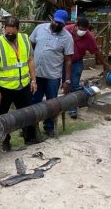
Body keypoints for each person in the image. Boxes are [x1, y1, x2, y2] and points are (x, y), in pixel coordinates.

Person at [0, 16, 40, 151]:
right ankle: (5, 142)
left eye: (13, 32)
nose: (10, 35)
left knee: (28, 113)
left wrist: (33, 80)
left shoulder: (25, 39)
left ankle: (29, 138)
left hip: (23, 85)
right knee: (3, 117)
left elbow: (30, 60)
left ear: (18, 29)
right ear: (4, 29)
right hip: (5, 88)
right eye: (7, 32)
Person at [29, 9, 74, 137]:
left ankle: (49, 127)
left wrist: (67, 80)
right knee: (34, 101)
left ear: (64, 24)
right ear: (52, 19)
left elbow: (69, 60)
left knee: (52, 102)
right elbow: (30, 45)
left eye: (61, 23)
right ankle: (31, 126)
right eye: (56, 22)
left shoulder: (67, 38)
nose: (57, 25)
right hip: (36, 74)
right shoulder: (39, 28)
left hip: (53, 76)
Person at [64, 17, 110, 118]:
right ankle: (64, 105)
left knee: (74, 84)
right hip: (62, 61)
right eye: (81, 29)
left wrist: (104, 63)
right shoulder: (66, 30)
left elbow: (96, 51)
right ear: (76, 26)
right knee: (65, 84)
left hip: (76, 61)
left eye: (85, 30)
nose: (83, 32)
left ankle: (73, 109)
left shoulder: (89, 37)